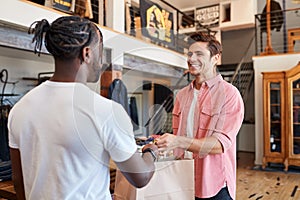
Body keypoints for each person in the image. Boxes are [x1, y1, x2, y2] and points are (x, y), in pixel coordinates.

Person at [8, 16, 158, 200]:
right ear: (87, 53)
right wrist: (151, 152)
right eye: (100, 53)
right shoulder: (105, 110)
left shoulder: (20, 108)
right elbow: (140, 177)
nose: (101, 62)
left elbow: (18, 180)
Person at [156, 32, 244, 200]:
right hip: (183, 177)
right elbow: (178, 135)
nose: (191, 59)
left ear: (216, 58)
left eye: (199, 54)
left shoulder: (229, 94)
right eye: (190, 54)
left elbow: (219, 144)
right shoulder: (181, 95)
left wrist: (177, 141)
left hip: (214, 185)